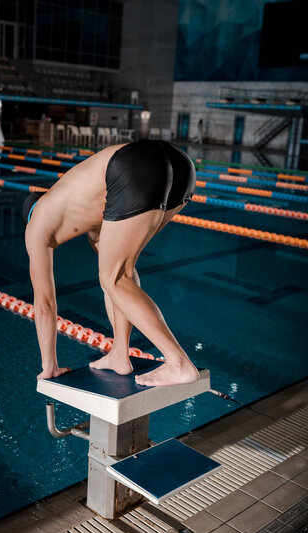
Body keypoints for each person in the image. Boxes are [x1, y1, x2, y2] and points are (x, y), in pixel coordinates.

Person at [24, 139, 199, 387]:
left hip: (134, 165)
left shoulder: (36, 223)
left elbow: (44, 303)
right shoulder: (87, 209)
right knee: (119, 275)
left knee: (115, 278)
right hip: (180, 166)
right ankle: (119, 354)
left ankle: (178, 363)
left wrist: (49, 366)